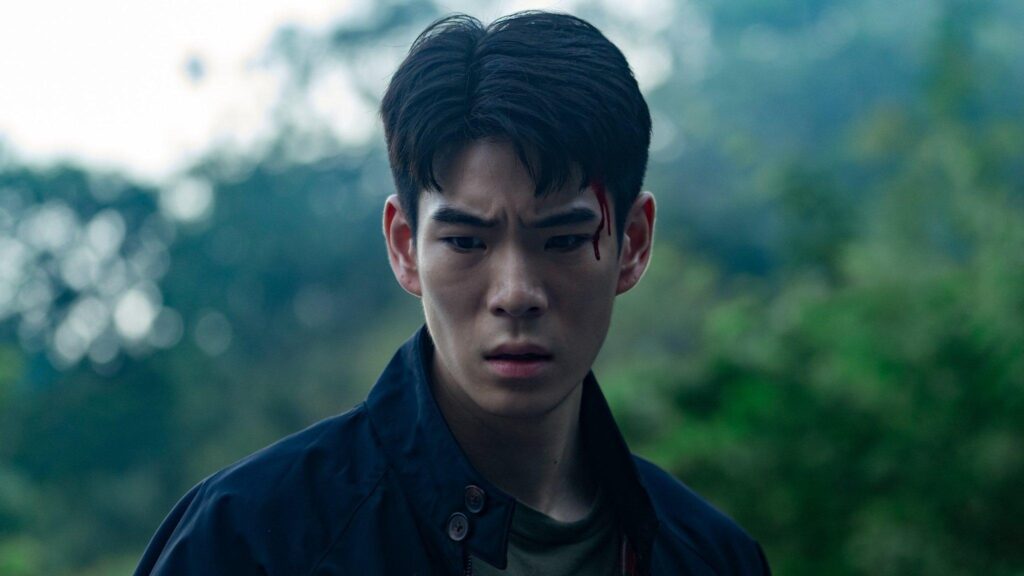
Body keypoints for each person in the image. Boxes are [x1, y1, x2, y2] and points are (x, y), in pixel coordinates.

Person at [135, 11, 770, 575]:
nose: (516, 294)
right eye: (466, 242)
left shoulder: (712, 557)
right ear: (404, 246)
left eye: (564, 240)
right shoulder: (251, 540)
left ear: (632, 244)